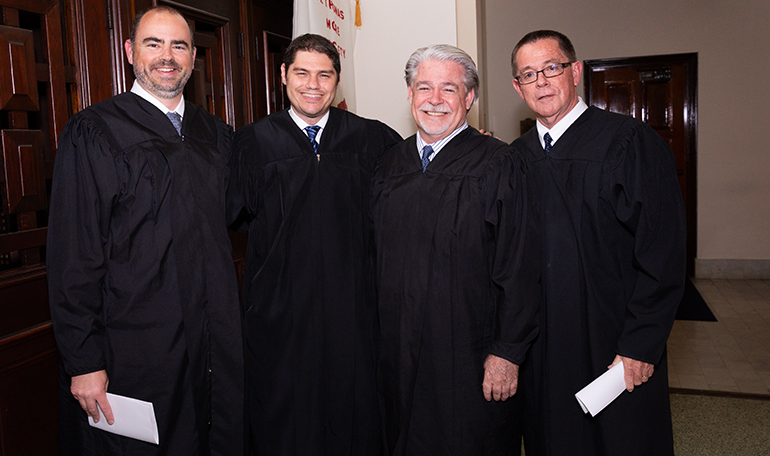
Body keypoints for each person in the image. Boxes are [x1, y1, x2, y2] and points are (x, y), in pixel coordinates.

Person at [47, 5, 243, 456]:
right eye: (153, 44)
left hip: (213, 336)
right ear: (130, 51)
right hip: (136, 343)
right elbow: (73, 255)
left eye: (179, 45)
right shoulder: (96, 131)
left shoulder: (215, 133)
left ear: (194, 57)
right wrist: (83, 361)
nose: (166, 56)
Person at [509, 30, 686, 456]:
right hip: (542, 345)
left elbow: (663, 251)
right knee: (551, 437)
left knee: (621, 440)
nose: (542, 81)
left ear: (576, 72)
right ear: (517, 88)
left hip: (614, 337)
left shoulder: (628, 141)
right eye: (528, 74)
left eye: (552, 68)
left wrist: (641, 343)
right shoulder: (514, 158)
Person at [227, 33, 401, 456]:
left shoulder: (371, 139)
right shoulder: (253, 141)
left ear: (337, 81)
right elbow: (237, 214)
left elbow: (412, 194)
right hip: (280, 309)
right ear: (284, 75)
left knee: (355, 404)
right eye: (302, 73)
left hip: (354, 304)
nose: (313, 84)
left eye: (325, 75)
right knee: (285, 409)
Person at [372, 44, 539, 455]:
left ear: (469, 98)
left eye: (449, 89)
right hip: (398, 350)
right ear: (409, 95)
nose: (435, 100)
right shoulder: (388, 164)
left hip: (469, 353)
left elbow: (520, 267)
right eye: (423, 87)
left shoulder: (498, 163)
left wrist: (507, 353)